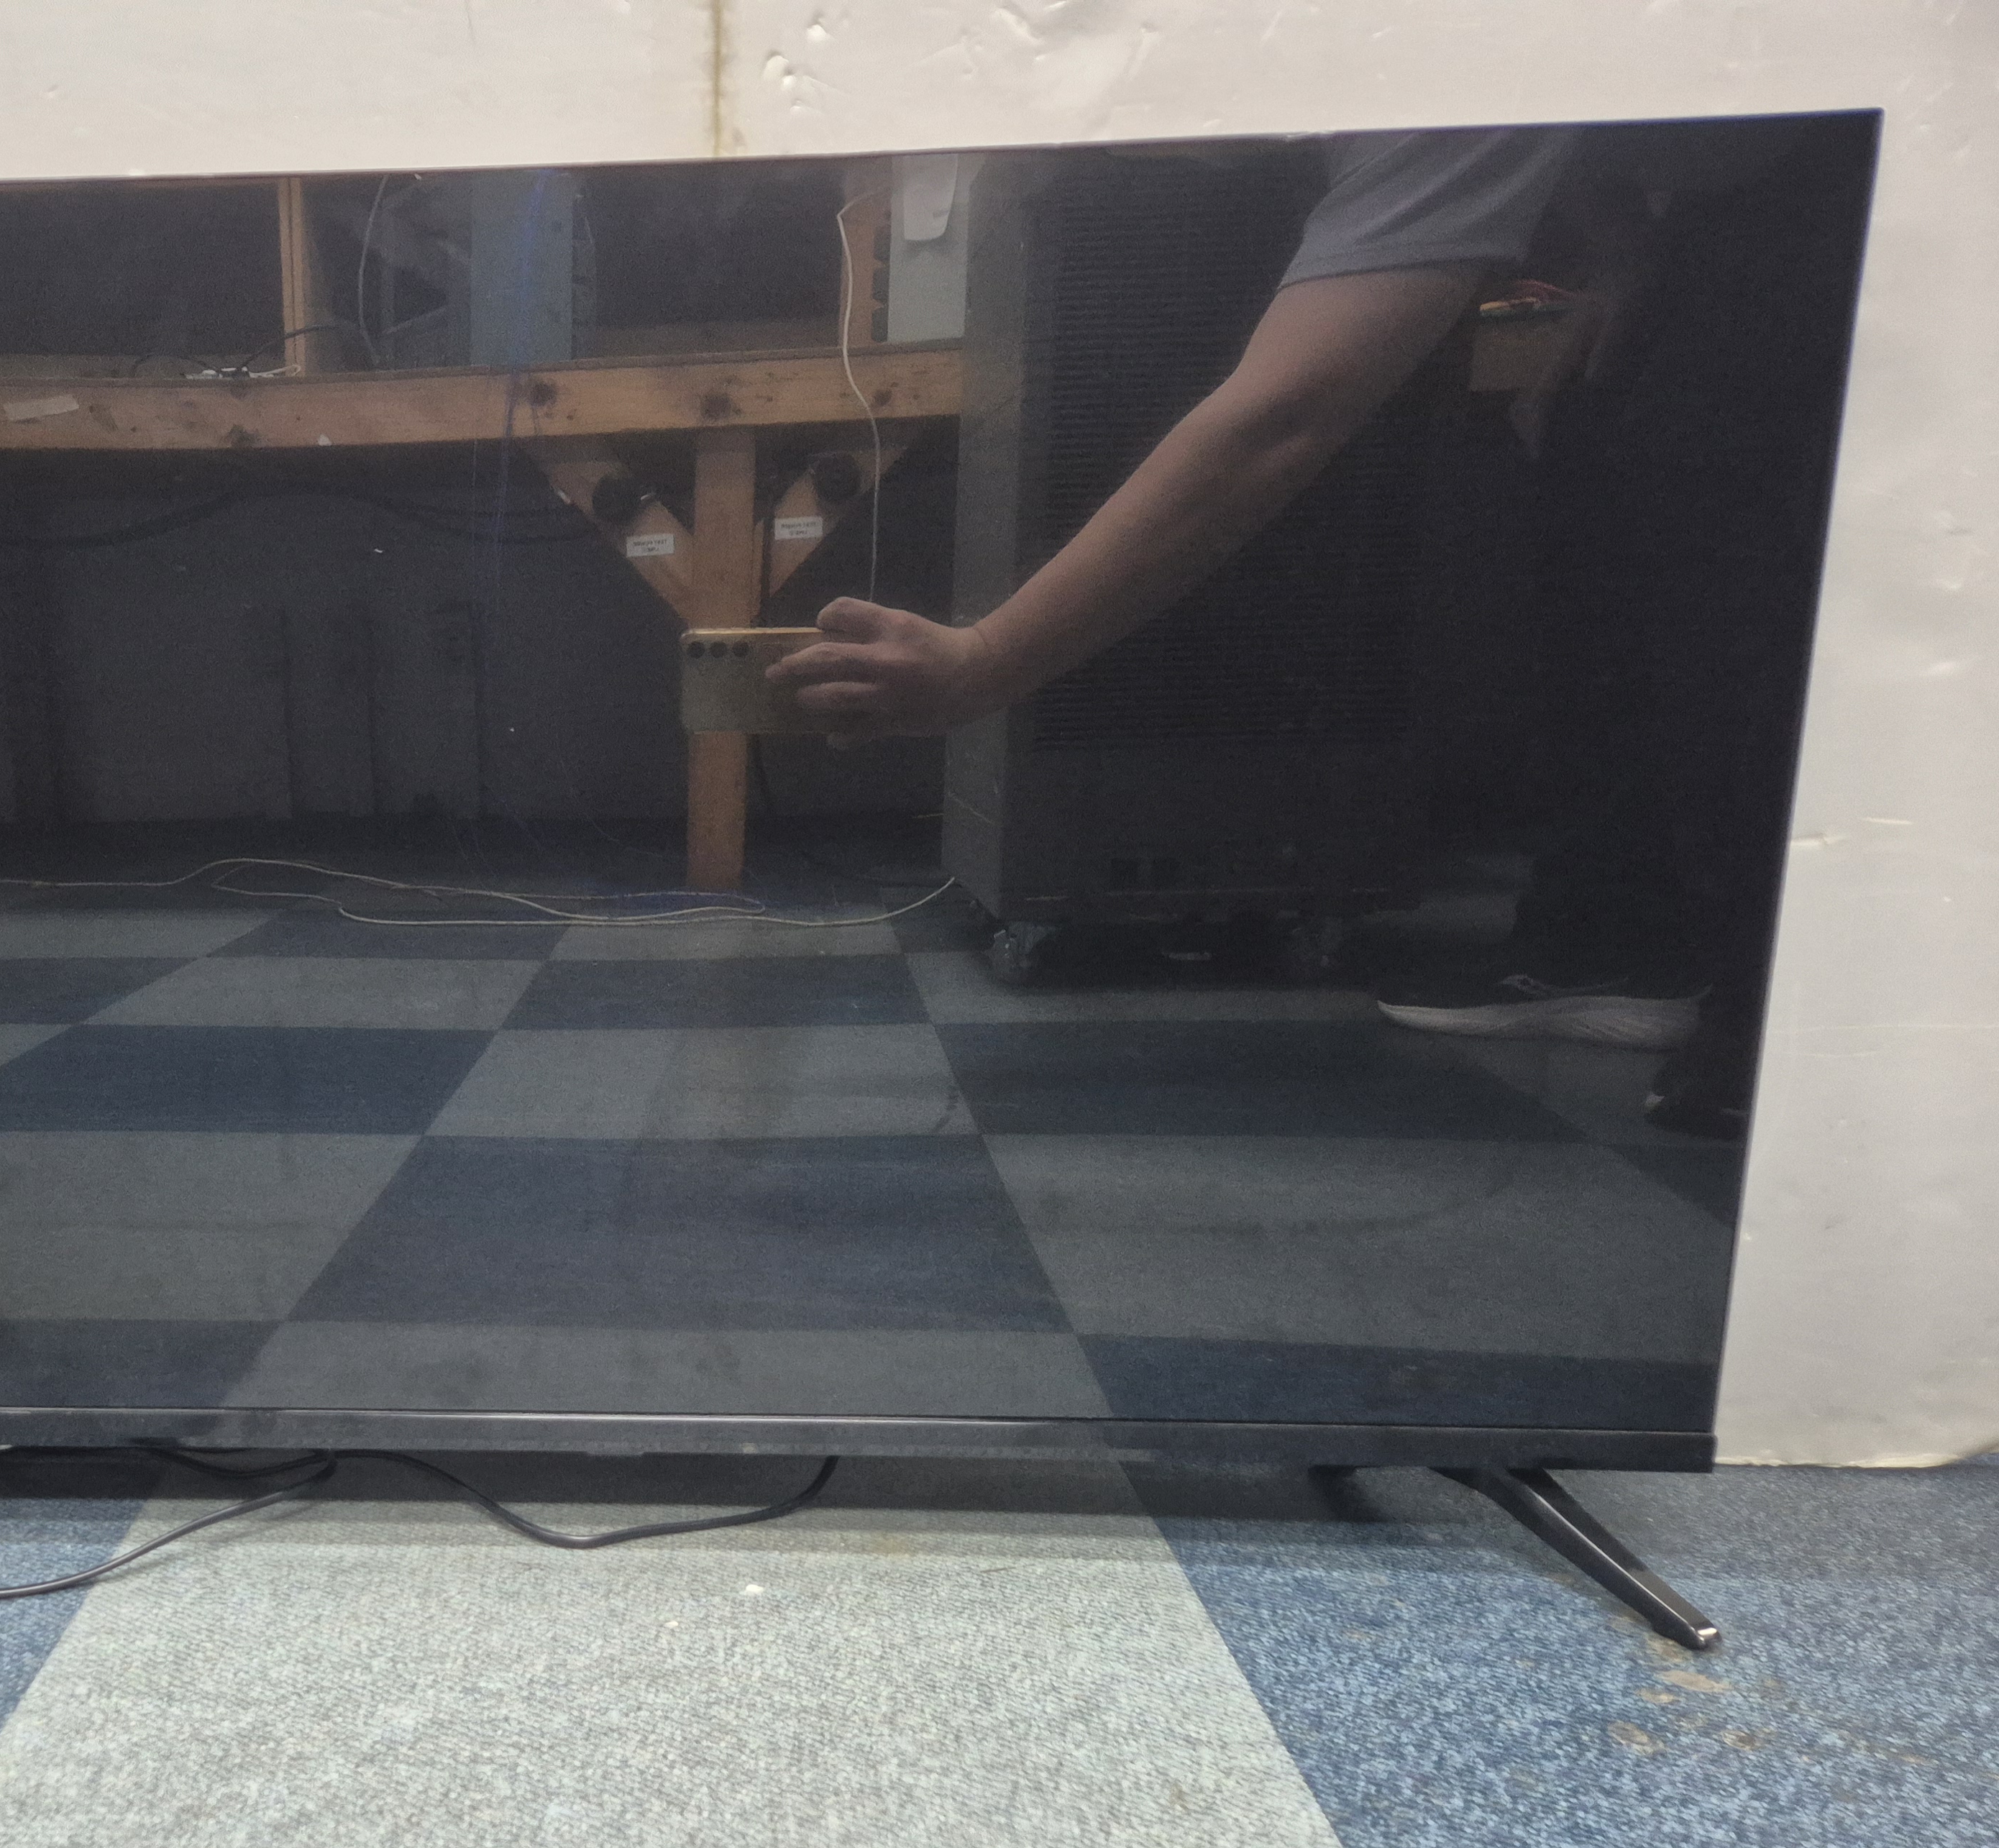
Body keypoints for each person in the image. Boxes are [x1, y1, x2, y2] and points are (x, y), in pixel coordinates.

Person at [769, 119, 1870, 1138]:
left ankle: (1806, 1028)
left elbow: (1283, 420)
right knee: (1615, 482)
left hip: (1854, 165)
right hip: (1701, 193)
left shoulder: (1418, 62)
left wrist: (984, 662)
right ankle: (1615, 943)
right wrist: (1626, 259)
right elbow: (1579, 124)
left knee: (1740, 552)